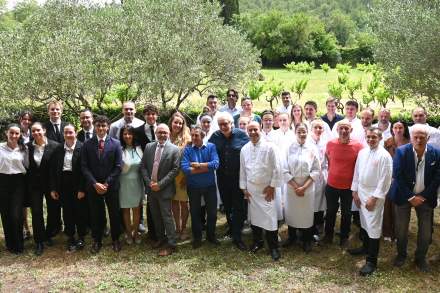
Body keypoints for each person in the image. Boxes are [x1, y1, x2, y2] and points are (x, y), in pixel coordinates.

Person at [389, 124, 440, 272]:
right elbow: (397, 176)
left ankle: (420, 258)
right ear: (410, 138)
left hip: (425, 198)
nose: (418, 140)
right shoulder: (401, 152)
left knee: (425, 231)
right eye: (415, 137)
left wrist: (422, 196)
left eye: (422, 137)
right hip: (403, 196)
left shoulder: (436, 153)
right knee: (401, 230)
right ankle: (401, 255)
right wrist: (411, 197)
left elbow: (437, 178)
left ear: (428, 138)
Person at [349, 127, 393, 276]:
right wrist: (354, 191)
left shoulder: (384, 156)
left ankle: (371, 261)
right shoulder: (362, 152)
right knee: (364, 222)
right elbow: (356, 172)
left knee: (373, 226)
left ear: (380, 138)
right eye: (368, 137)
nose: (370, 140)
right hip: (361, 191)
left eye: (374, 137)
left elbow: (385, 180)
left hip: (374, 194)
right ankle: (365, 247)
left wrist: (374, 198)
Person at [240, 122, 282, 260]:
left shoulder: (270, 147)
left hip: (266, 190)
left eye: (255, 129)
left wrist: (272, 186)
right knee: (255, 219)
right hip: (252, 190)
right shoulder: (244, 149)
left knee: (270, 219)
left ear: (260, 130)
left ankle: (274, 247)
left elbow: (277, 167)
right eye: (250, 130)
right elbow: (243, 170)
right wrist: (244, 188)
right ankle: (258, 242)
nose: (252, 132)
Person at [81, 115, 123, 253]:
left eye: (103, 125)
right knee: (95, 213)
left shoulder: (116, 143)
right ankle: (97, 240)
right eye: (98, 125)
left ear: (108, 127)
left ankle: (116, 239)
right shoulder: (87, 144)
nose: (101, 128)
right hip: (94, 186)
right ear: (95, 126)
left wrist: (106, 183)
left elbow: (118, 166)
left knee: (114, 213)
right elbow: (84, 167)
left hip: (111, 185)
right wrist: (95, 183)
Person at [209, 112, 249, 250]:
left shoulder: (242, 135)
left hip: (238, 177)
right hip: (222, 177)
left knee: (239, 206)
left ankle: (237, 236)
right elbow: (208, 151)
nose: (223, 126)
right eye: (221, 124)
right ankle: (232, 228)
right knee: (227, 204)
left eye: (226, 123)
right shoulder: (215, 136)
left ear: (232, 123)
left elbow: (249, 153)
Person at [140, 124, 180, 256]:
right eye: (160, 132)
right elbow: (143, 166)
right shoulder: (148, 147)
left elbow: (175, 170)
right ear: (156, 133)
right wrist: (149, 182)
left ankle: (172, 243)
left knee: (167, 217)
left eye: (165, 132)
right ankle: (161, 239)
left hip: (165, 190)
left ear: (169, 133)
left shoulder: (174, 149)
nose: (162, 135)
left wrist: (160, 184)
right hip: (151, 189)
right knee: (156, 216)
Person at [323, 119, 364, 247]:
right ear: (337, 130)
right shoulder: (330, 144)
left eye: (346, 128)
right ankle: (328, 235)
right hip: (332, 185)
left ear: (351, 130)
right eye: (341, 128)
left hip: (348, 187)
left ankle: (344, 237)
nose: (344, 131)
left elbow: (359, 166)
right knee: (330, 211)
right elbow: (329, 159)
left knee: (346, 213)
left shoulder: (358, 146)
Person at [283, 123, 320, 253]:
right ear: (295, 133)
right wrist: (295, 186)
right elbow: (284, 169)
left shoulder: (312, 148)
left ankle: (306, 240)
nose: (302, 134)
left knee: (306, 215)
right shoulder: (288, 148)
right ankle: (292, 237)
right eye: (299, 131)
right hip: (291, 187)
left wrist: (303, 187)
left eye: (304, 131)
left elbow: (316, 170)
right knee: (291, 212)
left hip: (307, 187)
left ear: (308, 132)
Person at [49, 124, 87, 252]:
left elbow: (85, 170)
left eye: (71, 132)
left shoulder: (83, 147)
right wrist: (54, 188)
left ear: (75, 133)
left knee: (80, 211)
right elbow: (53, 171)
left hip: (78, 182)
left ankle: (81, 236)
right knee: (67, 211)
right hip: (63, 183)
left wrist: (82, 189)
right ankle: (70, 236)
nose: (68, 135)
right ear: (64, 134)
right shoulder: (59, 149)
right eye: (66, 133)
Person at [181, 126, 220, 248]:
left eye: (196, 135)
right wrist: (205, 169)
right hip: (193, 187)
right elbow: (185, 169)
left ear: (202, 136)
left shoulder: (211, 147)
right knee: (195, 212)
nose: (193, 138)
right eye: (192, 135)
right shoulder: (187, 150)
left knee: (212, 212)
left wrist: (199, 165)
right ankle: (197, 238)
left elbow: (216, 164)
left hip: (209, 186)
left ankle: (211, 235)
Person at [27, 122, 59, 256]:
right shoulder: (27, 147)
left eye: (38, 130)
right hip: (34, 186)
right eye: (33, 131)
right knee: (36, 211)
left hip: (50, 185)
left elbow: (55, 169)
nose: (36, 133)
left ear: (44, 130)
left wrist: (54, 187)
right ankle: (39, 241)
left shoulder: (55, 146)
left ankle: (48, 234)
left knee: (53, 210)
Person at [0, 124, 28, 254]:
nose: (14, 136)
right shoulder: (0, 148)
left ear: (20, 135)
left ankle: (19, 244)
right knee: (5, 214)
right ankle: (10, 243)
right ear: (7, 133)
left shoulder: (24, 149)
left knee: (16, 215)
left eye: (17, 133)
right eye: (11, 133)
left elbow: (27, 166)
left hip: (18, 182)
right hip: (2, 181)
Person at [133, 104, 159, 236]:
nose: (151, 116)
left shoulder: (162, 129)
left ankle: (159, 229)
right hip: (143, 169)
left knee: (158, 198)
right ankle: (149, 229)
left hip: (161, 169)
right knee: (147, 199)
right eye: (148, 114)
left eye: (153, 114)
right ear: (144, 116)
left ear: (157, 115)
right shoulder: (137, 130)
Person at [382, 120, 410, 241]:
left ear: (405, 129)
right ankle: (388, 232)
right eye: (395, 127)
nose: (398, 130)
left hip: (403, 180)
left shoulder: (410, 143)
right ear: (392, 129)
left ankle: (400, 233)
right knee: (387, 206)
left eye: (400, 128)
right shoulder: (387, 142)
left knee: (400, 207)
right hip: (389, 179)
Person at [119, 125, 144, 245]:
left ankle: (136, 232)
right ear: (122, 136)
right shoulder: (119, 149)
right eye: (125, 134)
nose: (127, 136)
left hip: (137, 183)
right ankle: (128, 233)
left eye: (130, 134)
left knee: (137, 209)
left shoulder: (139, 148)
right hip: (123, 183)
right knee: (125, 210)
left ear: (133, 135)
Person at [168, 112, 191, 241]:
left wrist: (187, 176)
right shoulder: (166, 137)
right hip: (170, 176)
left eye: (180, 123)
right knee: (174, 203)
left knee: (183, 203)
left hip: (183, 176)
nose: (177, 125)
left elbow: (190, 159)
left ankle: (183, 229)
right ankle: (177, 228)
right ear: (171, 123)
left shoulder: (187, 139)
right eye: (175, 122)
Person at [307, 119, 329, 241]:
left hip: (323, 175)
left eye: (320, 128)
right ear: (311, 129)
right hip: (311, 175)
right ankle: (308, 228)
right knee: (311, 202)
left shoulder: (325, 143)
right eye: (316, 127)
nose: (318, 130)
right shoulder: (307, 142)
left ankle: (318, 226)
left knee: (321, 201)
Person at [18, 111, 33, 240]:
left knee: (33, 200)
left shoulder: (34, 134)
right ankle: (26, 228)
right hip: (20, 172)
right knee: (23, 203)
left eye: (29, 119)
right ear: (20, 119)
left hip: (32, 172)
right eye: (24, 119)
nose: (27, 121)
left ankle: (37, 227)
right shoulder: (16, 134)